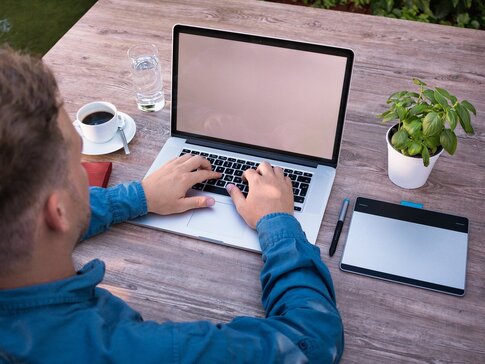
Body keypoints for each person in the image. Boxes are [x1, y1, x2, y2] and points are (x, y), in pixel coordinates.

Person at [0, 47, 344, 363]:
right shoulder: (132, 353)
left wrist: (140, 196)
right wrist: (278, 222)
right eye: (77, 161)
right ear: (57, 212)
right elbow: (312, 338)